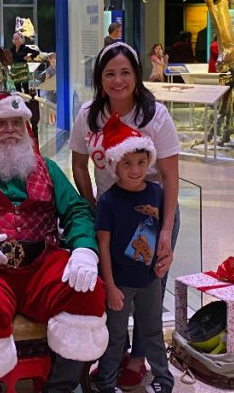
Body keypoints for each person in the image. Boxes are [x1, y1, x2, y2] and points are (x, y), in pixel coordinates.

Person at [0, 92, 107, 392]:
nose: (11, 129)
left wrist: (83, 250)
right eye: (0, 124)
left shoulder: (48, 169)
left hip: (42, 264)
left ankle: (61, 386)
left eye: (17, 122)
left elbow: (77, 210)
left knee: (87, 288)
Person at [68, 42, 180, 386]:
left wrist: (165, 231)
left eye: (125, 72)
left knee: (147, 287)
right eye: (110, 74)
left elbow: (170, 176)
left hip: (150, 215)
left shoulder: (154, 114)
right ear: (100, 80)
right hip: (112, 213)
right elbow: (78, 163)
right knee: (113, 286)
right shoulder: (89, 114)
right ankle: (114, 353)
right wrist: (92, 206)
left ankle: (139, 358)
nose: (118, 80)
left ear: (137, 75)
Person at [93, 114, 172, 393]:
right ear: (115, 164)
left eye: (140, 162)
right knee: (115, 335)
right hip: (120, 283)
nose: (135, 170)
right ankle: (106, 382)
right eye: (127, 164)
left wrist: (162, 262)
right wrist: (110, 287)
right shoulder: (108, 202)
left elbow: (162, 235)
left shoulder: (155, 193)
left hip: (149, 279)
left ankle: (164, 380)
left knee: (152, 332)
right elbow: (103, 246)